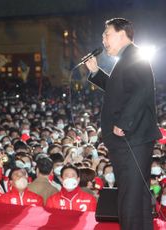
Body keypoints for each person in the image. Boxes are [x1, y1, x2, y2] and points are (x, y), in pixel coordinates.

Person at [85, 18, 162, 230]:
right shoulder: (127, 58)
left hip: (131, 136)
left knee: (131, 193)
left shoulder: (134, 56)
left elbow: (141, 90)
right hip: (131, 138)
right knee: (133, 192)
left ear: (121, 34)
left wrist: (123, 122)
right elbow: (119, 89)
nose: (103, 39)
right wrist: (95, 72)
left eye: (106, 34)